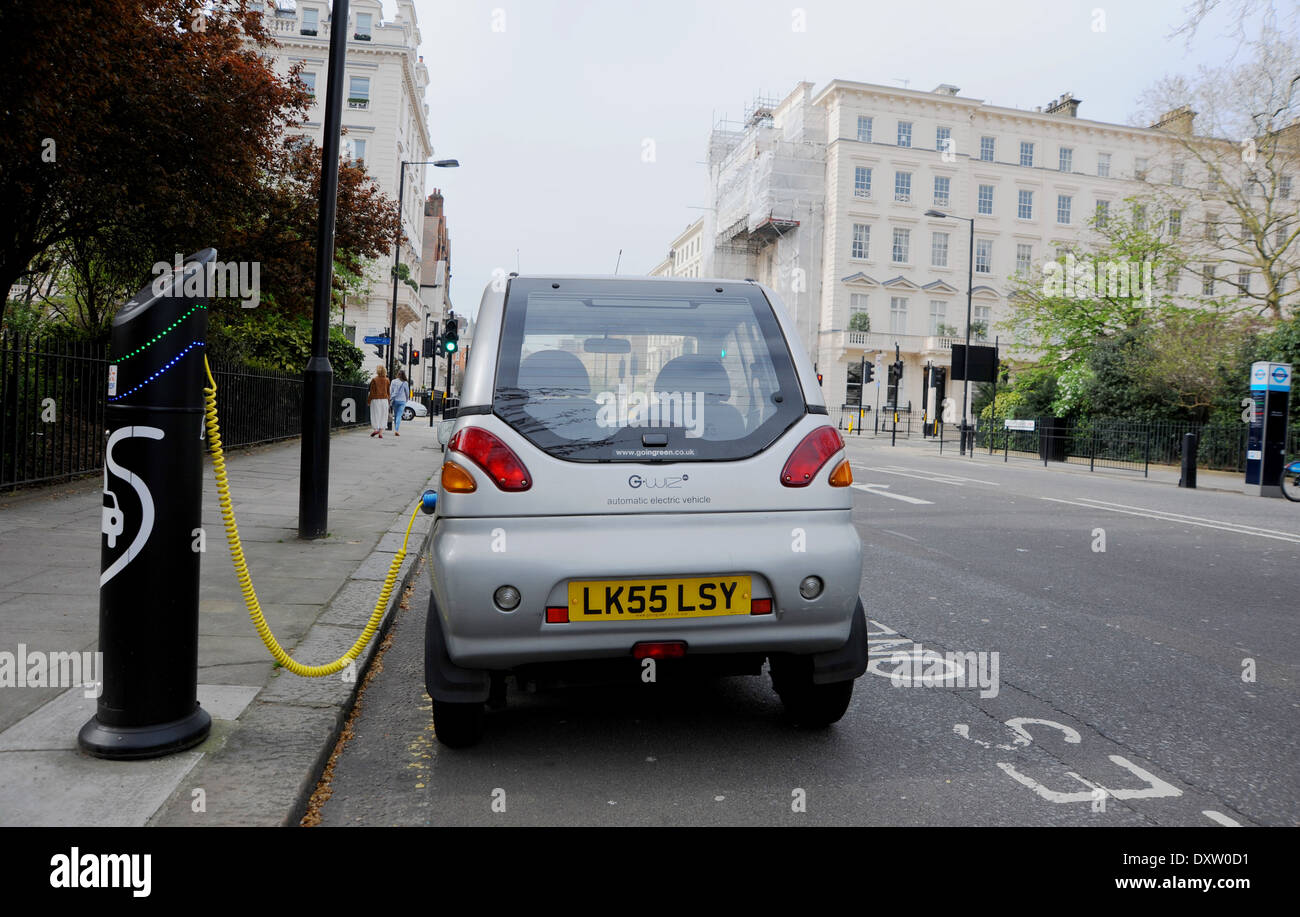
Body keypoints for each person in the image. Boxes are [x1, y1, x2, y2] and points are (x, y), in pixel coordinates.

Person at [368, 365, 390, 438]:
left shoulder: (374, 380)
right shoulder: (387, 380)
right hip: (384, 400)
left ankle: (375, 429)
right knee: (383, 415)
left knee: (375, 414)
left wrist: (369, 400)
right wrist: (388, 401)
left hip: (375, 399)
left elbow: (371, 391)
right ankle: (380, 433)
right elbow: (388, 392)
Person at [390, 370, 411, 436]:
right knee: (399, 415)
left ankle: (396, 429)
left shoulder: (393, 381)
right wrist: (407, 399)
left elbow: (391, 391)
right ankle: (396, 430)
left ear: (398, 374)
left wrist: (390, 398)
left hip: (395, 400)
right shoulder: (405, 383)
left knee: (396, 415)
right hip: (402, 401)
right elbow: (407, 393)